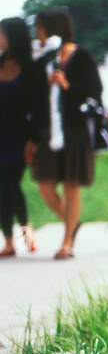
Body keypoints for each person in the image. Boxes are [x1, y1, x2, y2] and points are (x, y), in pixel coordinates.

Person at [27, 7, 102, 260]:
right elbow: (34, 101)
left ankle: (67, 241)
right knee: (45, 186)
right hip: (47, 131)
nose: (37, 33)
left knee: (71, 185)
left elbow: (95, 90)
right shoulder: (40, 60)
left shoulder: (82, 57)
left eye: (40, 28)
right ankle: (72, 222)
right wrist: (32, 138)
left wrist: (67, 86)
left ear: (53, 28)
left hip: (75, 129)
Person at [0, 18, 37, 256]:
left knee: (11, 184)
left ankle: (25, 232)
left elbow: (37, 107)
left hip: (20, 135)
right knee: (2, 188)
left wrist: (33, 140)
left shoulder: (30, 68)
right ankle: (9, 240)